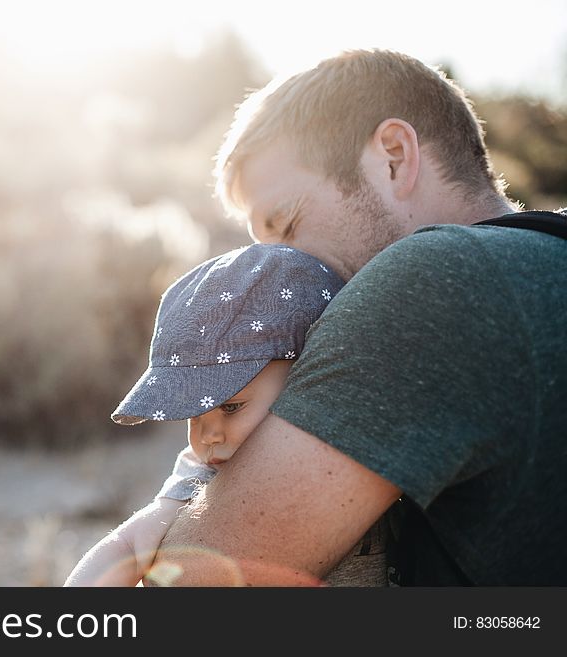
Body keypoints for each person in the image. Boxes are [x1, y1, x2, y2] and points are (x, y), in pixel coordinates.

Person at [147, 49, 567, 586]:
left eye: (287, 224)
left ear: (393, 156)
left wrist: (166, 511)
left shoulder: (430, 280)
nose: (276, 270)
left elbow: (191, 590)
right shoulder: (541, 261)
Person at [65, 243, 390, 587]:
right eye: (193, 414)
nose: (208, 436)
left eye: (231, 407)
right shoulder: (204, 473)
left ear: (307, 375)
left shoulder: (364, 432)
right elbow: (128, 544)